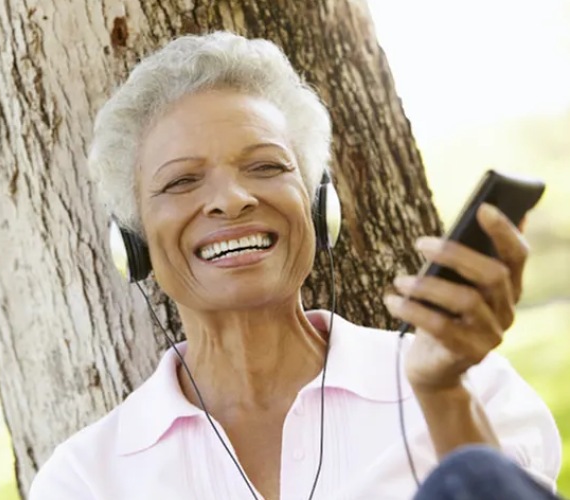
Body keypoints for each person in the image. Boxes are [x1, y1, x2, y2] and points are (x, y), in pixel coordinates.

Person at [29, 32, 561, 499]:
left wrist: (442, 395)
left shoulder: (475, 388)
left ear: (317, 207)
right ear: (135, 242)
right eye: (182, 181)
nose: (231, 200)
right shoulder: (84, 480)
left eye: (265, 166)